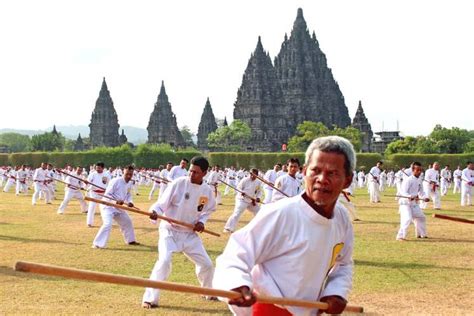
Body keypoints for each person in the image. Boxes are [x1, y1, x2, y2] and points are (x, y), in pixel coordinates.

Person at [213, 136, 355, 315]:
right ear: (304, 172)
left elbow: (344, 264)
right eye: (315, 171)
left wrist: (336, 292)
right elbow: (236, 254)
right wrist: (237, 285)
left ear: (348, 180)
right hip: (269, 310)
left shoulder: (341, 219)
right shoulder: (280, 213)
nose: (322, 179)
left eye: (332, 173)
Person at [142, 156, 217, 308]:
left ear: (204, 173)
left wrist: (202, 222)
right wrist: (154, 211)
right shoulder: (179, 183)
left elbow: (206, 211)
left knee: (207, 264)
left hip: (189, 234)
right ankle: (150, 299)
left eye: (196, 172)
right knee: (164, 261)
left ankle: (208, 291)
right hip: (170, 230)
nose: (191, 174)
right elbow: (161, 204)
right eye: (190, 171)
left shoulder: (206, 192)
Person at [91, 165, 140, 249]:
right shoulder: (115, 181)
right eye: (127, 174)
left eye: (130, 174)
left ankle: (130, 240)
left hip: (119, 208)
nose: (129, 176)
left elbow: (128, 195)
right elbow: (107, 195)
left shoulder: (129, 183)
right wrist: (115, 201)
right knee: (107, 224)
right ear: (123, 172)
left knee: (128, 222)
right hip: (108, 206)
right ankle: (97, 244)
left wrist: (130, 202)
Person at [396, 162, 430, 241]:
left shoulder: (419, 180)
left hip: (414, 203)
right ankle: (400, 236)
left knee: (421, 217)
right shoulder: (408, 180)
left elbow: (421, 192)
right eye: (417, 170)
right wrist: (409, 196)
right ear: (413, 170)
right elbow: (402, 191)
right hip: (405, 203)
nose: (419, 172)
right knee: (407, 218)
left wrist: (425, 197)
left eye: (420, 170)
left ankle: (421, 234)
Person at [223, 169, 262, 233]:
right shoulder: (245, 180)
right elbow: (238, 187)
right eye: (251, 174)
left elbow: (259, 191)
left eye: (254, 175)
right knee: (237, 213)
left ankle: (259, 227)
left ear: (257, 175)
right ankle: (228, 228)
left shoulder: (258, 182)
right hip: (242, 199)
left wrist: (258, 197)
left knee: (259, 212)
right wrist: (242, 192)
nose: (252, 176)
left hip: (251, 201)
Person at [86, 162, 111, 227]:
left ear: (103, 168)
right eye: (96, 168)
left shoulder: (107, 175)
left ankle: (107, 222)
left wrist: (108, 192)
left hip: (103, 193)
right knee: (91, 207)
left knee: (105, 208)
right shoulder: (92, 174)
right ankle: (89, 223)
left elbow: (110, 184)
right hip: (94, 193)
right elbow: (88, 182)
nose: (97, 169)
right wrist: (86, 182)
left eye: (99, 168)